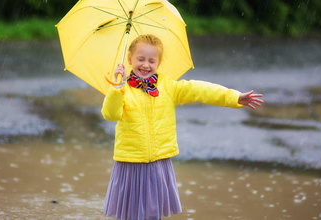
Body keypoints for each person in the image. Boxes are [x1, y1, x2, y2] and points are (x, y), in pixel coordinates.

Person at [102, 34, 263, 220]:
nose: (146, 65)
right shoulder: (122, 88)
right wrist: (117, 88)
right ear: (129, 59)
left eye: (151, 61)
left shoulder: (168, 87)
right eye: (140, 59)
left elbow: (199, 90)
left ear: (158, 63)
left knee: (152, 213)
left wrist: (234, 97)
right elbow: (110, 114)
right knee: (130, 213)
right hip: (130, 161)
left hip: (158, 161)